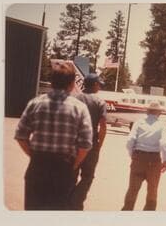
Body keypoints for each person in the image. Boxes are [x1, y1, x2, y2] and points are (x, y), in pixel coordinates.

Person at [14, 61, 93, 210]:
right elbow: (85, 144)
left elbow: (20, 135)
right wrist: (74, 164)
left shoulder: (35, 103)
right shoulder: (80, 108)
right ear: (71, 84)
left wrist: (33, 155)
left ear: (51, 82)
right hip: (63, 169)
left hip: (37, 167)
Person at [121, 101, 166, 211]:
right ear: (159, 112)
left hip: (138, 157)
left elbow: (130, 141)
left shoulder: (138, 122)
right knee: (152, 190)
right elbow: (164, 143)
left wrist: (133, 155)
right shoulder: (163, 125)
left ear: (147, 111)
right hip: (154, 160)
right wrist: (165, 160)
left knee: (132, 189)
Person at [69, 73, 107, 210]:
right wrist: (99, 145)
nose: (100, 86)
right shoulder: (99, 102)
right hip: (91, 144)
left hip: (73, 143)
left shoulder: (74, 99)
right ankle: (76, 201)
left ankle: (68, 200)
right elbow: (102, 126)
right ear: (95, 84)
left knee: (71, 174)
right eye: (99, 84)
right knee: (88, 176)